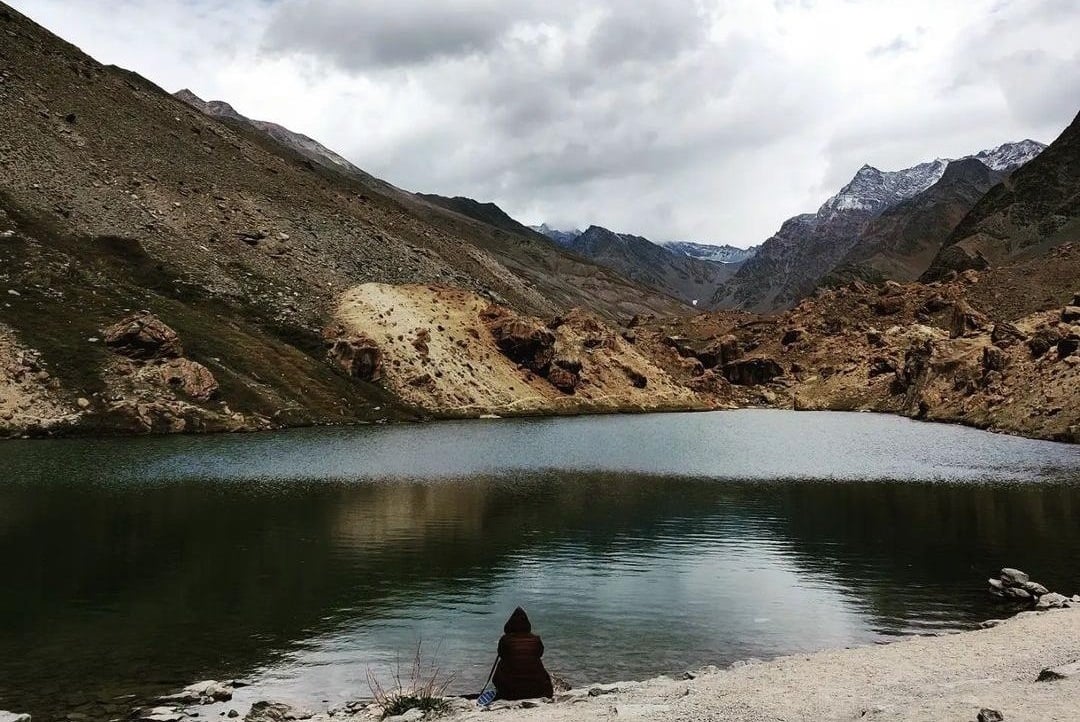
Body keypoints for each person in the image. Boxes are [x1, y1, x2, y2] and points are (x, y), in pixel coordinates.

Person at [492, 607, 554, 700]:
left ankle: (507, 690)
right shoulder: (536, 639)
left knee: (502, 664)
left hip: (510, 690)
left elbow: (501, 655)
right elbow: (539, 654)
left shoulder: (505, 639)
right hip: (535, 689)